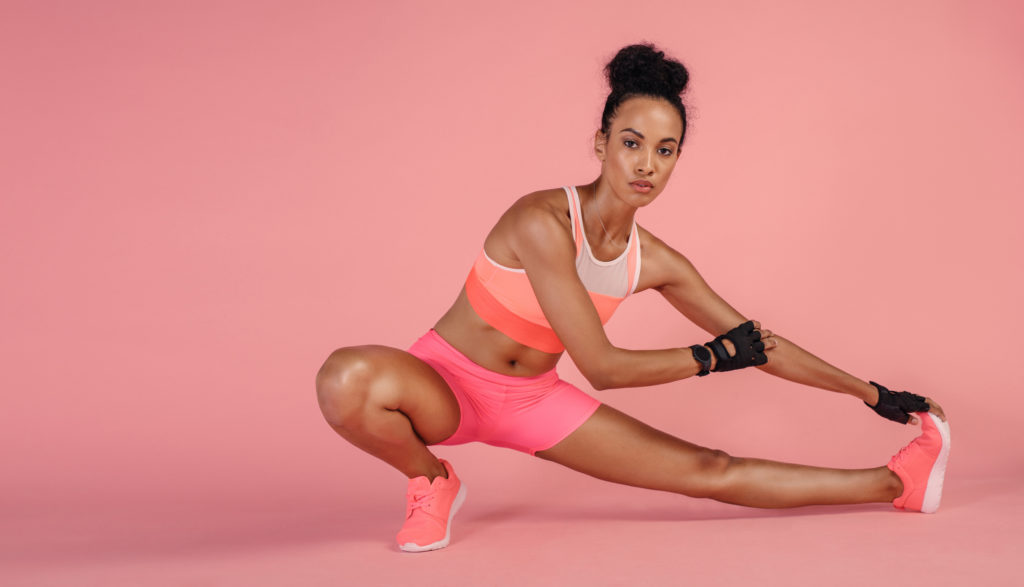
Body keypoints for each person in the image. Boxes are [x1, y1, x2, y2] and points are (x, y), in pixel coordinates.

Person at [316, 43, 950, 553]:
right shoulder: (540, 221)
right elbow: (603, 367)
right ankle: (431, 481)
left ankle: (896, 483)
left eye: (665, 150)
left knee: (711, 469)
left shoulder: (658, 263)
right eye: (631, 142)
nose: (646, 164)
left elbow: (761, 346)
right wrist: (709, 358)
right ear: (600, 143)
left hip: (532, 401)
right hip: (446, 382)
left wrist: (869, 393)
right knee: (346, 378)